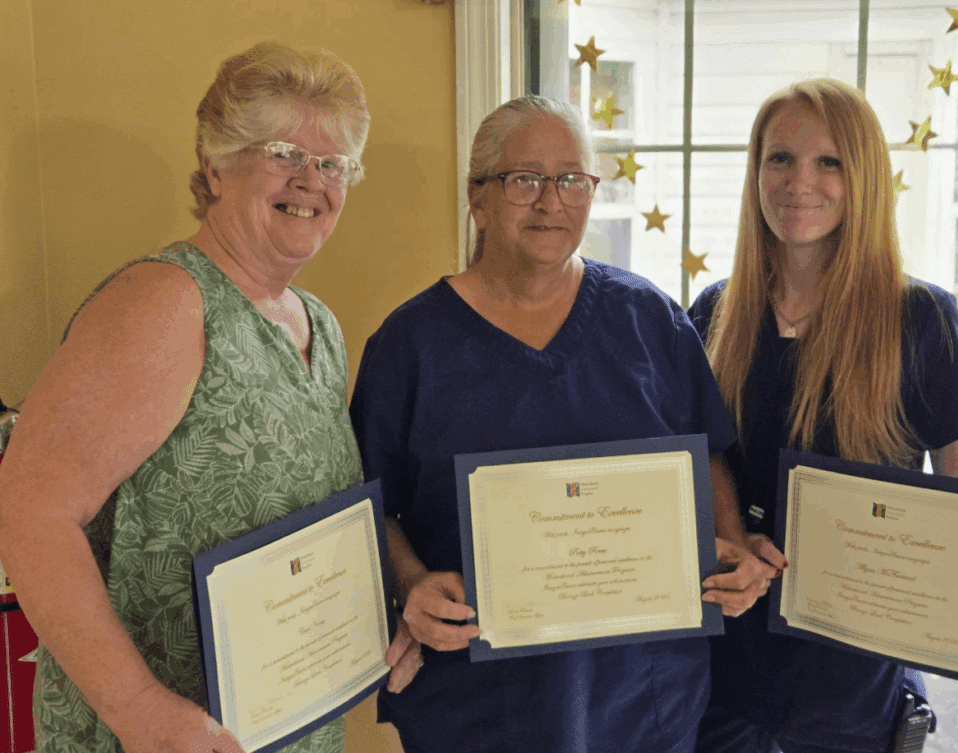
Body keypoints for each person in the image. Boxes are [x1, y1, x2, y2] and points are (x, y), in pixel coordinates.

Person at [0, 41, 418, 753]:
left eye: (332, 162)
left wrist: (382, 611)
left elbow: (307, 526)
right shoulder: (166, 303)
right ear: (217, 162)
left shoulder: (318, 323)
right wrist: (139, 710)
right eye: (284, 152)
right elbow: (30, 513)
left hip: (282, 728)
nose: (310, 180)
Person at [348, 95, 781, 753]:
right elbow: (370, 505)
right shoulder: (410, 344)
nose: (550, 202)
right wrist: (411, 584)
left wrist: (733, 551)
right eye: (524, 179)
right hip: (478, 703)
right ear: (479, 197)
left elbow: (708, 458)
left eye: (571, 180)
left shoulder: (650, 322)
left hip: (642, 696)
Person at [687, 77, 958, 753]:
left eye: (827, 161)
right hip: (724, 672)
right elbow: (702, 454)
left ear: (860, 177)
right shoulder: (714, 313)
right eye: (779, 159)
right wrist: (730, 539)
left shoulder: (919, 319)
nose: (798, 182)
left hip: (857, 686)